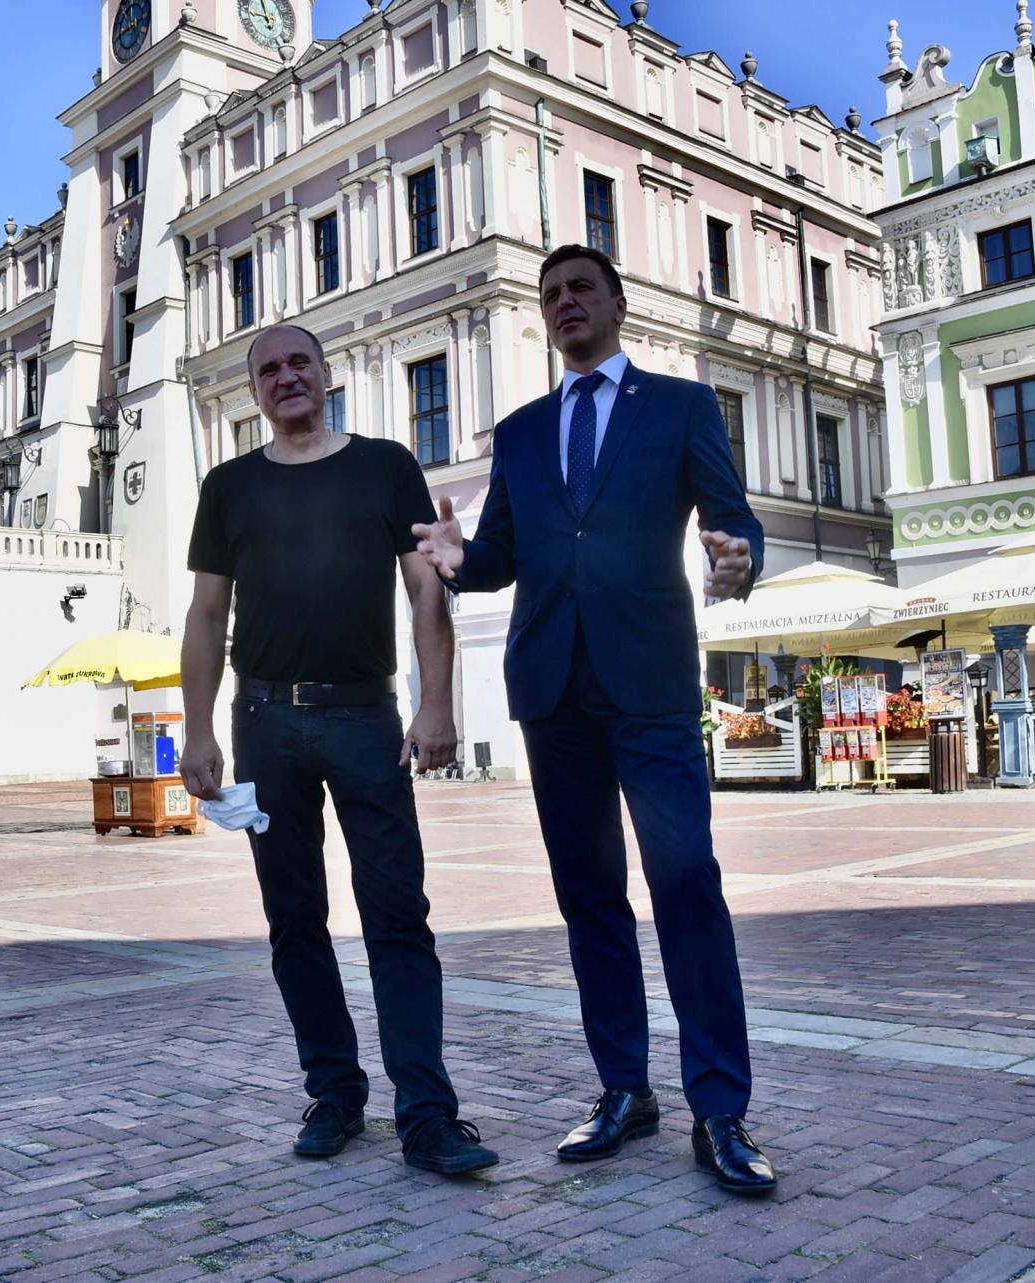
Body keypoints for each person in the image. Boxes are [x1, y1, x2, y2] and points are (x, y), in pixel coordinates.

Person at [412, 245, 776, 1194]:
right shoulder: (523, 432)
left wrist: (740, 559)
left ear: (618, 302)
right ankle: (625, 1089)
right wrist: (457, 554)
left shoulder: (682, 407)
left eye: (580, 288)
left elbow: (735, 519)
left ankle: (721, 1108)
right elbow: (502, 555)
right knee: (590, 898)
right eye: (550, 296)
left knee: (687, 880)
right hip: (554, 692)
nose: (565, 303)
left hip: (650, 686)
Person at [179, 322, 499, 1177]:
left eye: (299, 364)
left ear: (327, 376)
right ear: (254, 392)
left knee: (398, 914)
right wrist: (199, 728)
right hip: (265, 723)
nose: (286, 378)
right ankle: (336, 1091)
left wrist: (437, 704)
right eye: (269, 370)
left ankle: (427, 1114)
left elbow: (424, 588)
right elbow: (208, 616)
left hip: (367, 720)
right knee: (294, 920)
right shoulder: (228, 486)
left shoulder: (386, 464)